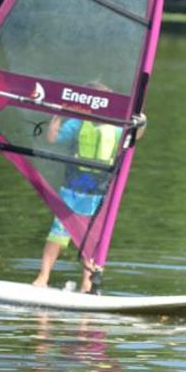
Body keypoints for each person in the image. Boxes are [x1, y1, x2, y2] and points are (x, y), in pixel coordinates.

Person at [32, 98, 145, 293]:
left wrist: (141, 122)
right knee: (58, 234)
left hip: (98, 192)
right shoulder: (77, 124)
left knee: (91, 237)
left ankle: (87, 283)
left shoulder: (116, 129)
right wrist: (58, 112)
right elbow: (52, 138)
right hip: (72, 188)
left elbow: (133, 137)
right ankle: (43, 277)